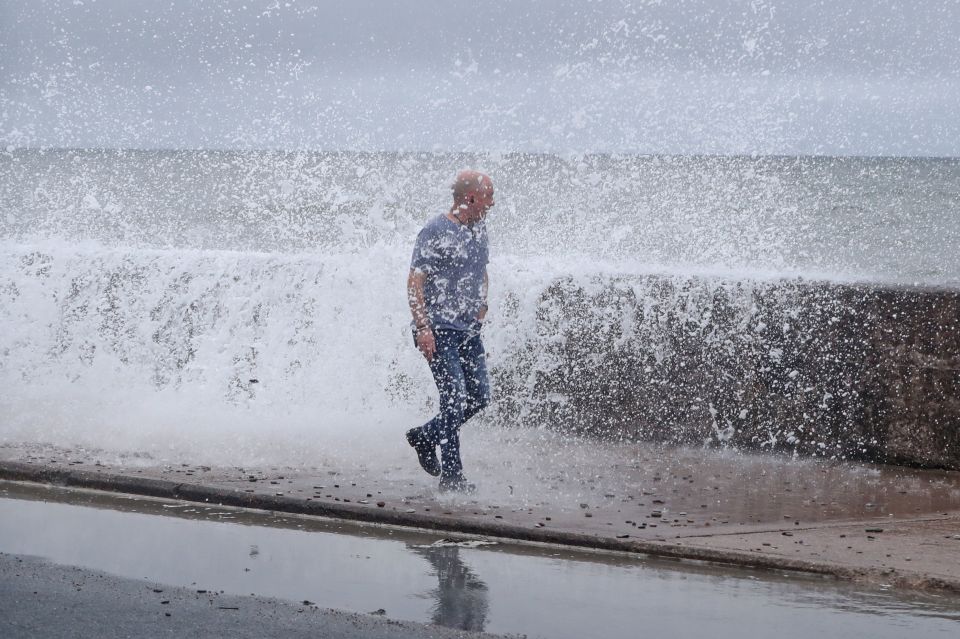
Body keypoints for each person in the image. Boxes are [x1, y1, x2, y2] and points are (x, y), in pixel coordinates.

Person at [405, 170, 494, 493]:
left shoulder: (480, 228)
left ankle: (424, 436)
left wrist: (483, 304)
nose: (492, 202)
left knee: (480, 398)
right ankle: (452, 477)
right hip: (439, 330)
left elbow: (481, 269)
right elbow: (415, 282)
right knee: (454, 401)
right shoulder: (435, 230)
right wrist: (423, 328)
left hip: (469, 330)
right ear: (470, 198)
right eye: (488, 196)